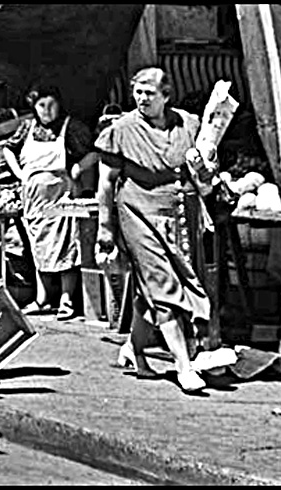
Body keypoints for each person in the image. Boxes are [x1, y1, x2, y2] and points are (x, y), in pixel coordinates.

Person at [94, 67, 218, 393]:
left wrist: (206, 170)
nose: (142, 98)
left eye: (150, 93)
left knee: (149, 290)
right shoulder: (120, 129)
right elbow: (106, 184)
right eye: (138, 92)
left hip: (179, 216)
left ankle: (135, 350)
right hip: (138, 215)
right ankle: (183, 366)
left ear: (166, 95)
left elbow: (201, 174)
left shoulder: (188, 124)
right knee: (163, 286)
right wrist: (105, 230)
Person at [3, 85, 98, 320]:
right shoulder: (27, 127)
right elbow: (8, 149)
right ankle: (43, 299)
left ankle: (66, 300)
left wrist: (76, 169)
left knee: (65, 247)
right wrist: (20, 173)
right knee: (39, 248)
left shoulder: (71, 127)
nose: (47, 111)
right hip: (33, 200)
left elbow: (96, 152)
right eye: (41, 105)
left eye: (51, 105)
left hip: (61, 196)